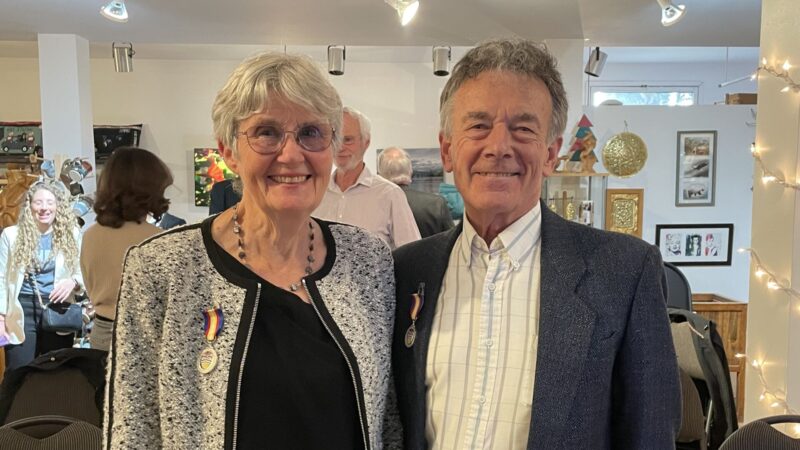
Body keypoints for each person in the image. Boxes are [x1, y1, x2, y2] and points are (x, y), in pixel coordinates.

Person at [392, 38, 681, 449]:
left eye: (523, 128)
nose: (498, 147)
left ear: (550, 153)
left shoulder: (623, 272)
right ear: (447, 150)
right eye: (477, 125)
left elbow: (649, 436)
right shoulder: (408, 270)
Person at [104, 52, 401, 449]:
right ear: (228, 151)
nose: (292, 154)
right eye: (267, 132)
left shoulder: (367, 261)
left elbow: (389, 423)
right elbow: (132, 430)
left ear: (331, 148)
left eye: (311, 132)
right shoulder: (162, 268)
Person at [80, 147, 173, 352]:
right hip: (144, 339)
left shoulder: (90, 235)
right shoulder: (156, 239)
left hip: (101, 335)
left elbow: (90, 286)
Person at [0, 179, 84, 372]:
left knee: (55, 371)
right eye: (38, 202)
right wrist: (1, 318)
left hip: (58, 309)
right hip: (21, 309)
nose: (44, 208)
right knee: (18, 371)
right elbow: (2, 278)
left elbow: (83, 273)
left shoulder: (72, 234)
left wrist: (72, 282)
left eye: (49, 202)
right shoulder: (11, 235)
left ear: (57, 206)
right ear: (29, 205)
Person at [314, 107, 420, 249]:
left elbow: (412, 253)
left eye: (348, 140)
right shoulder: (316, 192)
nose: (340, 147)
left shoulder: (389, 194)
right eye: (335, 139)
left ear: (366, 142)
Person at [378, 147, 454, 238]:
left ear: (380, 174)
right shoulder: (436, 204)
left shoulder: (372, 205)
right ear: (410, 171)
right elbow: (453, 243)